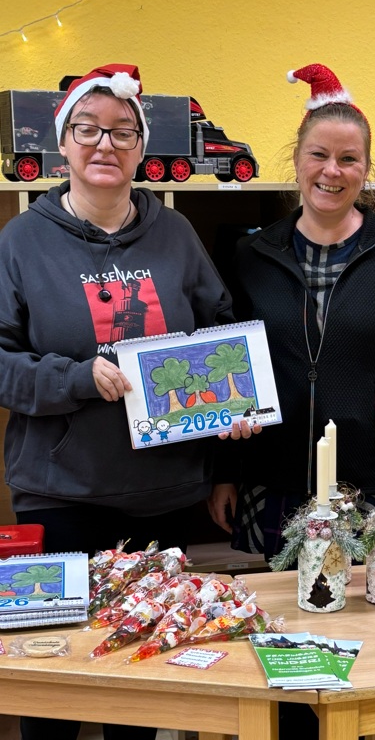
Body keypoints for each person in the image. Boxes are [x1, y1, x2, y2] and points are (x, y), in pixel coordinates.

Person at [0, 63, 255, 740]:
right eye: (88, 130)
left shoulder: (176, 235)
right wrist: (79, 377)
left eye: (122, 131)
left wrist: (233, 402)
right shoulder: (20, 242)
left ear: (142, 147)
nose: (105, 144)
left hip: (161, 493)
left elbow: (220, 333)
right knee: (54, 679)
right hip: (59, 495)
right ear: (63, 143)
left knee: (140, 686)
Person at [208, 64, 375, 560]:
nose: (332, 171)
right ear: (296, 159)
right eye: (319, 155)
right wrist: (224, 472)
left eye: (348, 159)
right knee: (282, 598)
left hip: (370, 474)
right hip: (272, 471)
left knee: (369, 598)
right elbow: (228, 367)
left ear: (365, 169)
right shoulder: (250, 255)